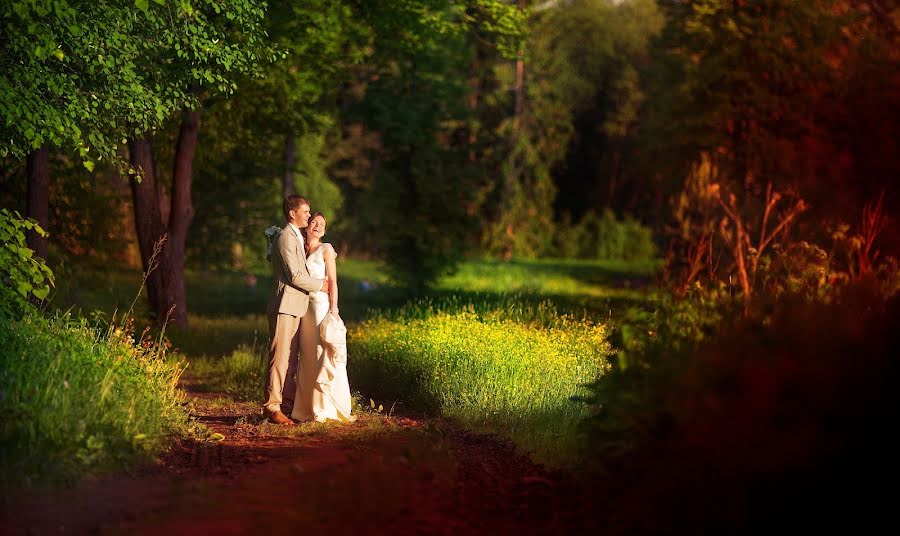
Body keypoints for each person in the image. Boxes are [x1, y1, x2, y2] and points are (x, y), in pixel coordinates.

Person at [264, 195, 329, 425]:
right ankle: (272, 407)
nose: (309, 216)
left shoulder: (296, 237)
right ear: (292, 213)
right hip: (285, 306)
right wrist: (321, 285)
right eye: (306, 211)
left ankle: (287, 405)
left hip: (296, 306)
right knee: (280, 357)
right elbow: (294, 275)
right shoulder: (285, 237)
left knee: (291, 359)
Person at [292, 212, 354, 422]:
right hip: (302, 310)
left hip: (320, 308)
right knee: (306, 357)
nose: (317, 226)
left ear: (325, 231)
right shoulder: (299, 248)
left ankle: (324, 408)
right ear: (307, 226)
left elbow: (333, 282)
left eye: (322, 224)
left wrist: (334, 309)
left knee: (320, 354)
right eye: (314, 222)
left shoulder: (326, 249)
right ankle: (304, 408)